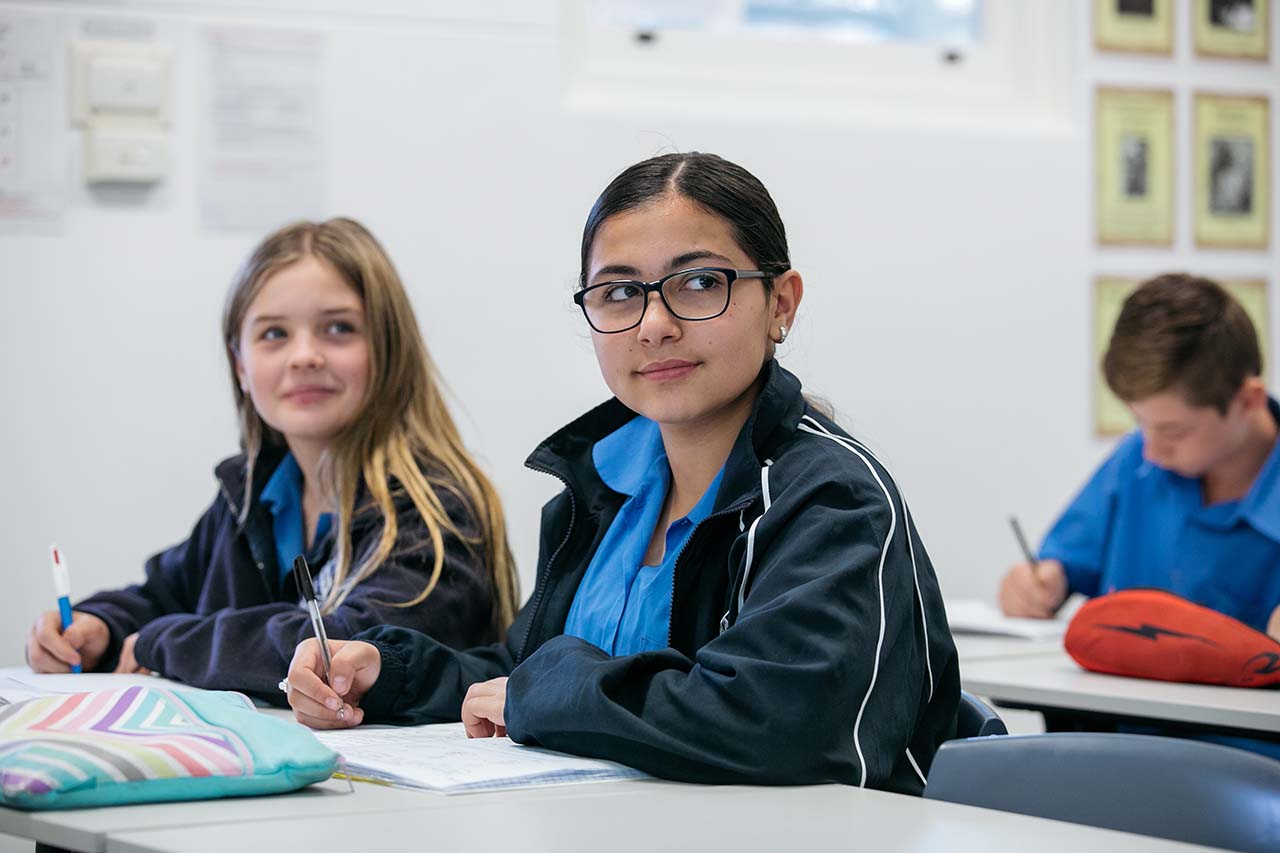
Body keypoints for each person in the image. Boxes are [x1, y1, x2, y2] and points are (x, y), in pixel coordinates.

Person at [284, 153, 959, 794]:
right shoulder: (603, 488)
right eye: (619, 293)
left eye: (700, 283)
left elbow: (777, 719)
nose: (654, 324)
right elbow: (526, 675)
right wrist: (389, 675)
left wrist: (539, 692)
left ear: (780, 303)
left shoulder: (831, 500)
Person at [25, 217, 520, 700]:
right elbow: (161, 595)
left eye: (338, 328)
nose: (304, 356)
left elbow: (336, 644)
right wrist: (100, 627)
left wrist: (162, 642)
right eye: (274, 334)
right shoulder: (251, 496)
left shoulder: (434, 508)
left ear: (390, 351)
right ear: (240, 365)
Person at [999, 274, 1280, 638]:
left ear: (1248, 400)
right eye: (1141, 423)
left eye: (1173, 431)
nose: (1152, 450)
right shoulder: (1135, 463)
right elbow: (1060, 566)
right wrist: (1033, 587)